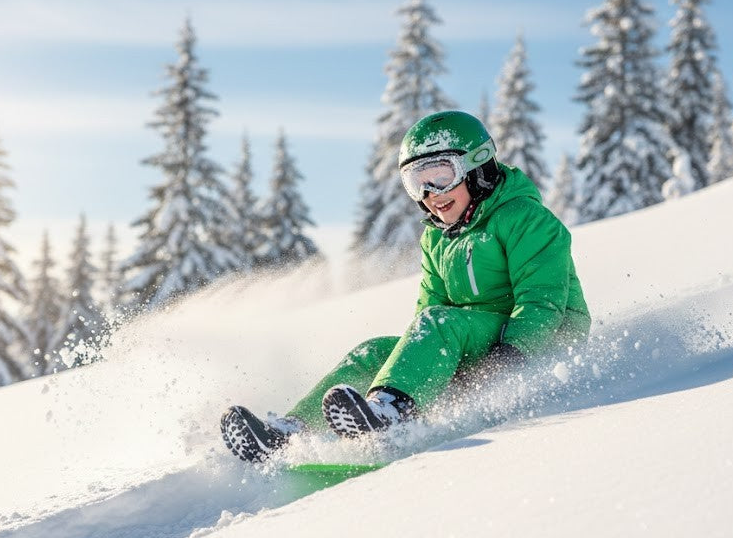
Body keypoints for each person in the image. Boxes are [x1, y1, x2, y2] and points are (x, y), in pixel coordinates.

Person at [221, 110, 591, 462]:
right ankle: (290, 435)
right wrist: (415, 364)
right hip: (472, 340)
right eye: (417, 182)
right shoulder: (437, 239)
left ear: (477, 167)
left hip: (542, 341)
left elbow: (543, 302)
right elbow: (427, 312)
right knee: (373, 351)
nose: (431, 192)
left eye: (440, 176)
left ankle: (390, 414)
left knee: (441, 323)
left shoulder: (525, 218)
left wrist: (510, 359)